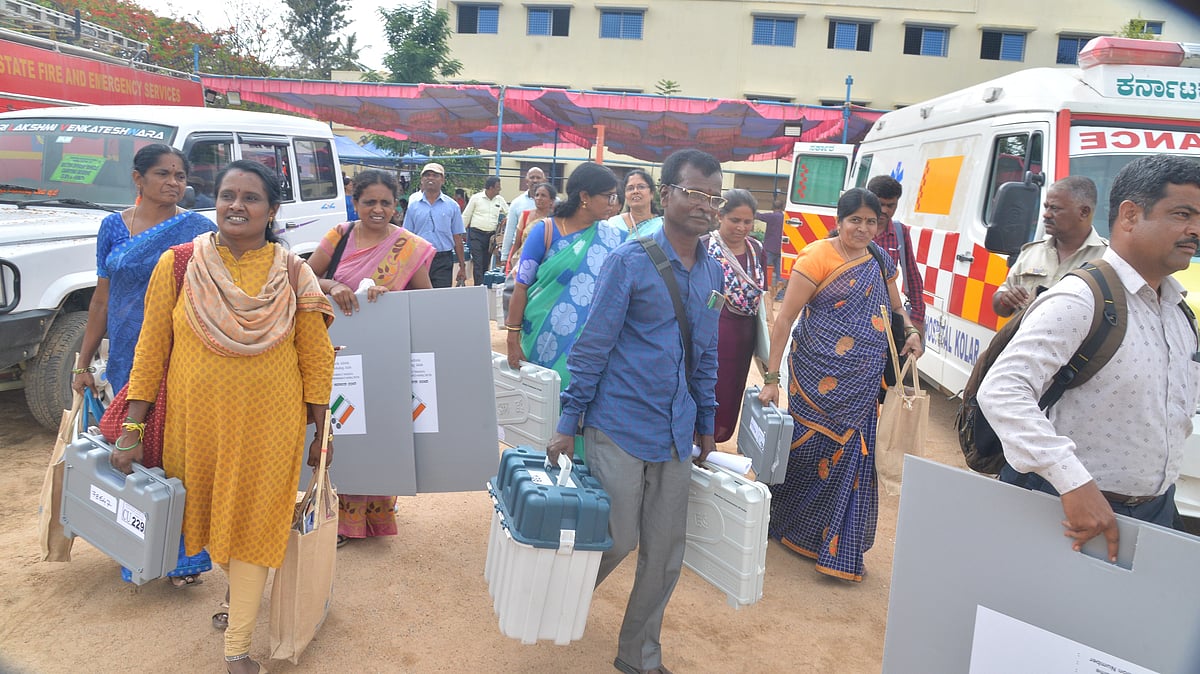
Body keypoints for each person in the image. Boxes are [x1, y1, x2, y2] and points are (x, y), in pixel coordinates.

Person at [115, 160, 335, 674]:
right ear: (214, 202)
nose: (237, 205)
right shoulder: (178, 264)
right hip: (198, 427)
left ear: (272, 209)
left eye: (251, 198)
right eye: (227, 195)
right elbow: (151, 350)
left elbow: (316, 356)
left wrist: (323, 430)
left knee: (257, 524)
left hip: (271, 426)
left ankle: (236, 647)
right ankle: (242, 601)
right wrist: (132, 427)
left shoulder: (295, 272)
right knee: (211, 522)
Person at [547, 149, 725, 674]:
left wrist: (707, 425)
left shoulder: (712, 271)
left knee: (666, 551)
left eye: (712, 198)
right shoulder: (629, 259)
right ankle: (554, 595)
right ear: (665, 193)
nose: (703, 205)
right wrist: (568, 421)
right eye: (693, 192)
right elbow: (594, 342)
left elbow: (707, 354)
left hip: (675, 430)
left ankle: (640, 655)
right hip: (618, 421)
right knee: (618, 535)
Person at [979, 155, 1200, 562]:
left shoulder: (1177, 309)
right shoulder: (1081, 298)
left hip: (1153, 513)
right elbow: (1003, 390)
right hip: (1066, 512)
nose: (1195, 230)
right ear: (1131, 216)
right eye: (1182, 214)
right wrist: (1074, 483)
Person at [758, 187, 923, 582]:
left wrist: (912, 330)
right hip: (814, 375)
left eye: (871, 222)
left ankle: (834, 543)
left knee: (852, 456)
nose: (863, 229)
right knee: (805, 450)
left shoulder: (879, 259)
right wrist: (772, 376)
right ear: (839, 220)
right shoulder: (817, 256)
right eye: (856, 220)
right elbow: (784, 320)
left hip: (863, 381)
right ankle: (788, 525)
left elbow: (897, 308)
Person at [71, 143, 216, 587]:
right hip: (126, 357)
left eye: (180, 175)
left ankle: (183, 557)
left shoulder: (198, 229)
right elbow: (101, 298)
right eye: (163, 174)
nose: (174, 183)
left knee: (175, 451)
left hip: (180, 354)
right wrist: (82, 363)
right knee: (130, 449)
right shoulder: (112, 226)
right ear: (138, 179)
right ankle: (138, 543)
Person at [307, 170, 433, 546]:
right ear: (356, 202)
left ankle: (373, 519)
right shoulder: (339, 236)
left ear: (397, 206)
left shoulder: (409, 247)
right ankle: (333, 514)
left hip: (385, 352)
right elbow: (305, 278)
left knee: (379, 428)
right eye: (369, 202)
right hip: (338, 352)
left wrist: (389, 299)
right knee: (340, 426)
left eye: (386, 203)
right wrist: (335, 285)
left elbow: (425, 299)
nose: (378, 209)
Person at [503, 163, 625, 388]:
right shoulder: (546, 231)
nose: (613, 203)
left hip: (588, 344)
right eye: (608, 196)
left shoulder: (615, 237)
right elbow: (520, 286)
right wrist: (512, 338)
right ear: (585, 196)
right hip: (540, 333)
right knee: (541, 404)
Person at [992, 175, 1106, 317]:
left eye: (1055, 208)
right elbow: (1000, 307)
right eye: (1046, 207)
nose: (1046, 215)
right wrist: (1005, 299)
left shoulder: (1107, 259)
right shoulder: (1031, 252)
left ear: (1084, 212)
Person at [705, 189, 766, 443]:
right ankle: (700, 439)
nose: (742, 227)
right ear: (720, 216)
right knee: (709, 387)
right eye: (735, 220)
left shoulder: (756, 249)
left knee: (731, 393)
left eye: (747, 222)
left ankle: (715, 443)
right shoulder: (704, 246)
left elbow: (761, 294)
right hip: (713, 333)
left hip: (744, 336)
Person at [867, 176, 925, 331]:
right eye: (880, 204)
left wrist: (917, 320)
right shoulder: (855, 231)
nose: (885, 210)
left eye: (891, 205)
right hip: (854, 316)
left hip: (887, 315)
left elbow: (912, 276)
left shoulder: (900, 232)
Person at [403, 162, 466, 288]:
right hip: (419, 259)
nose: (430, 178)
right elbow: (406, 237)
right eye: (427, 175)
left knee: (440, 298)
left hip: (443, 259)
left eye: (435, 175)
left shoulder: (452, 206)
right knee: (419, 297)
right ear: (422, 180)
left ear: (442, 179)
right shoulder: (413, 206)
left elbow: (457, 238)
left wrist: (462, 266)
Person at [463, 176, 508, 285]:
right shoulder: (476, 198)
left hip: (491, 237)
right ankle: (478, 287)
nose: (500, 189)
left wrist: (507, 218)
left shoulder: (500, 200)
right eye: (498, 187)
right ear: (491, 188)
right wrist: (460, 233)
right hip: (476, 234)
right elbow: (466, 215)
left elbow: (509, 212)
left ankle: (484, 286)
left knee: (485, 262)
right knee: (477, 262)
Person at [504, 182, 557, 272]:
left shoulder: (555, 219)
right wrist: (509, 266)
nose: (539, 198)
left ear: (551, 200)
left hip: (544, 264)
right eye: (537, 195)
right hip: (521, 262)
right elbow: (517, 243)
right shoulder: (525, 216)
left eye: (543, 195)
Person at [501, 166, 547, 264]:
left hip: (546, 255)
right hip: (521, 255)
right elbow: (510, 232)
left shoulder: (555, 203)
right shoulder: (517, 203)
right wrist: (504, 258)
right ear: (526, 181)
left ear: (544, 180)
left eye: (538, 178)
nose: (535, 180)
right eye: (532, 177)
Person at [607, 169, 662, 236]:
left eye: (641, 187)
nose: (635, 191)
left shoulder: (661, 225)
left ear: (652, 193)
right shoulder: (614, 223)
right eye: (630, 188)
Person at [756, 193, 785, 297]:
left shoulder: (772, 216)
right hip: (781, 249)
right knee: (780, 274)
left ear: (773, 207)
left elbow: (758, 216)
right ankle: (780, 295)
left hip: (769, 248)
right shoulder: (785, 217)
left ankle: (761, 292)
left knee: (761, 270)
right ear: (782, 207)